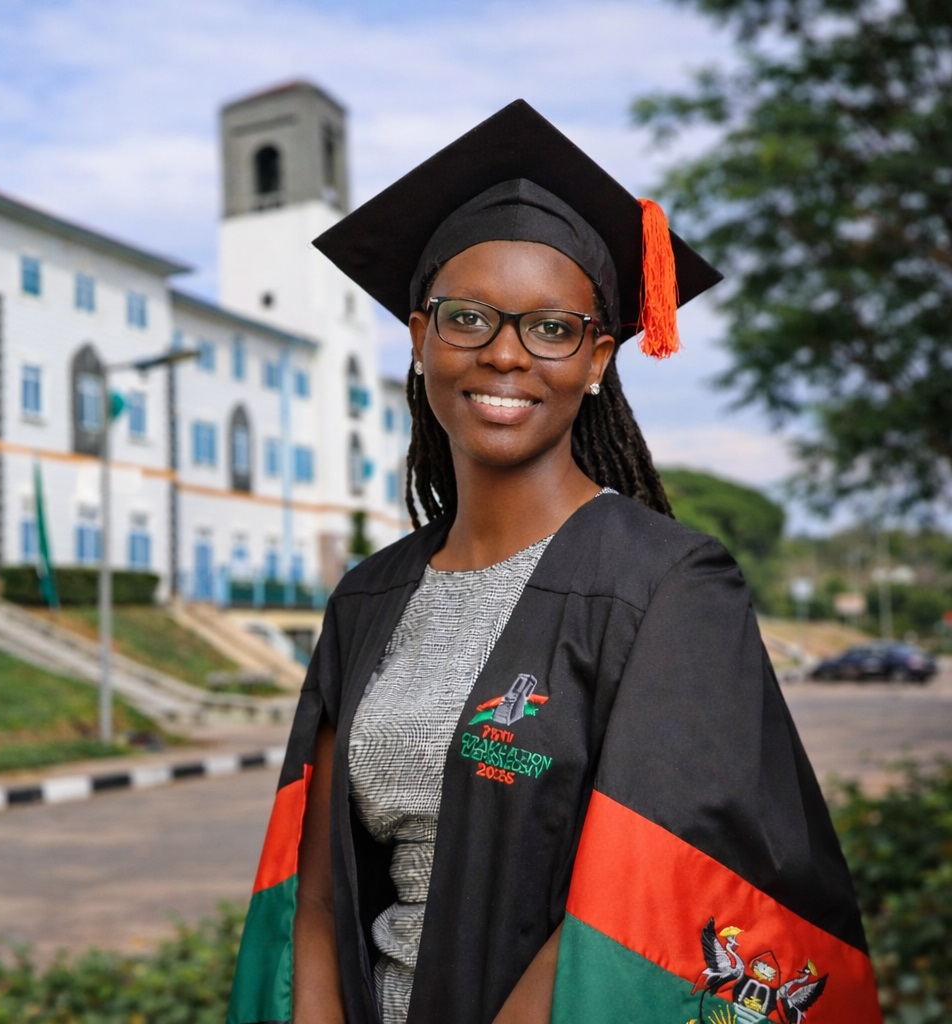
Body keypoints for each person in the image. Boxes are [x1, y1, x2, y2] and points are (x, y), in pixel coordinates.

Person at [226, 101, 879, 1024]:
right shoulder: (368, 598)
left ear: (598, 358)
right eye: (467, 318)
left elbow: (661, 894)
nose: (505, 354)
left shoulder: (668, 586)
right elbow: (320, 894)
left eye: (551, 328)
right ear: (418, 339)